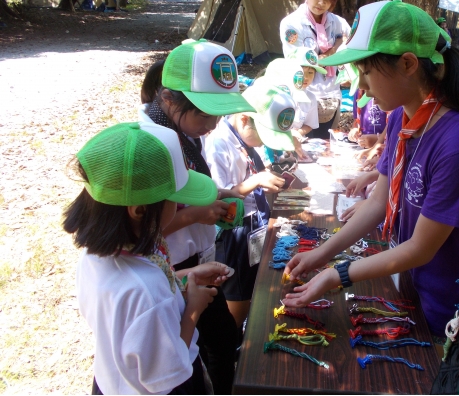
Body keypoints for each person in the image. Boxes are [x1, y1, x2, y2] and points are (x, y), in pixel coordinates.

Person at [282, 1, 459, 357]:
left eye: (366, 72)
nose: (361, 87)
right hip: (407, 282)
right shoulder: (401, 117)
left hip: (443, 305)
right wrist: (322, 254)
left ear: (408, 64)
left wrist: (339, 274)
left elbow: (421, 248)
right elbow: (378, 203)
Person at [64, 121, 233, 394]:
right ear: (140, 210)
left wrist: (182, 278)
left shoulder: (95, 257)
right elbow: (171, 368)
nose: (180, 207)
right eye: (175, 201)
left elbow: (130, 311)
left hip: (112, 382)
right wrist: (193, 308)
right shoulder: (147, 291)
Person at [139, 39, 255, 394]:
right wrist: (197, 216)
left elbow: (190, 184)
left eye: (218, 113)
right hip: (169, 267)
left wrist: (218, 195)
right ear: (170, 98)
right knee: (192, 351)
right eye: (205, 113)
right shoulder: (153, 144)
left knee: (220, 340)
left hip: (197, 260)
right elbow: (143, 229)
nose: (213, 123)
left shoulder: (182, 130)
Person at [204, 83, 295, 329]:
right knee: (238, 295)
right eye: (264, 136)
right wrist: (254, 181)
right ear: (244, 119)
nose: (264, 144)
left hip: (254, 226)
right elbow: (218, 200)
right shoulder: (218, 145)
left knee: (253, 284)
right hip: (234, 234)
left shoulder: (244, 140)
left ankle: (246, 330)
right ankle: (236, 346)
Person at [279, 0, 351, 139]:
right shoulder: (291, 25)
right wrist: (335, 49)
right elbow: (301, 64)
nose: (321, 3)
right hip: (304, 101)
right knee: (303, 149)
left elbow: (350, 52)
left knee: (326, 150)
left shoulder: (339, 24)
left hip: (333, 99)